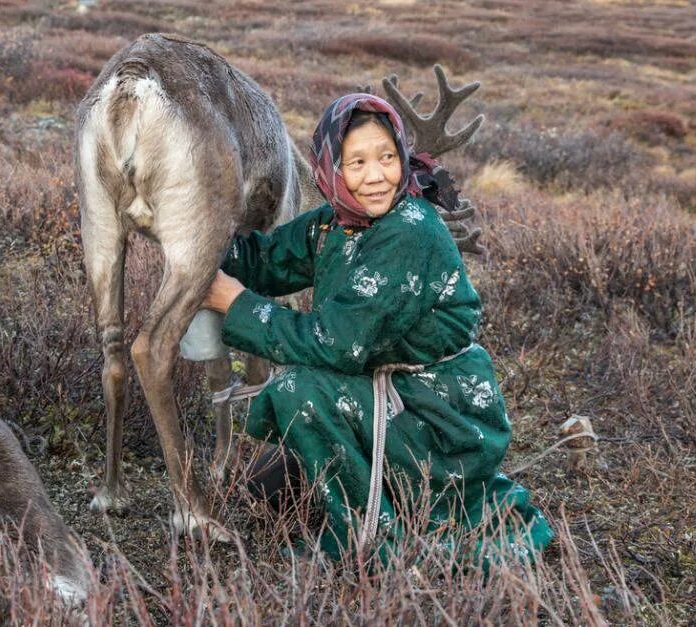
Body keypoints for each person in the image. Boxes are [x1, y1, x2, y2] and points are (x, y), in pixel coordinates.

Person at [200, 93, 553, 565]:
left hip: (440, 418)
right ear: (332, 169)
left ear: (402, 157)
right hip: (389, 396)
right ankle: (382, 497)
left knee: (296, 391)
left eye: (387, 158)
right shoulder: (337, 225)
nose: (375, 175)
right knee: (268, 482)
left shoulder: (409, 232)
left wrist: (233, 302)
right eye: (357, 162)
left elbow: (335, 344)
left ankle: (369, 543)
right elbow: (265, 261)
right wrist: (193, 241)